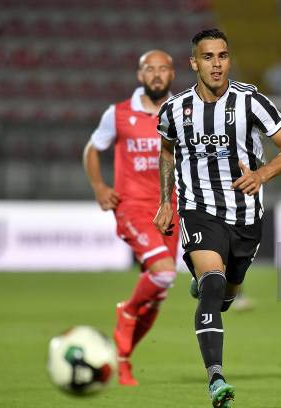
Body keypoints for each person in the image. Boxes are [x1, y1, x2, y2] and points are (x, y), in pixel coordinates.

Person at [154, 29, 281, 407]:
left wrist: (260, 174)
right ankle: (216, 378)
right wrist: (166, 201)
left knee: (228, 293)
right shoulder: (175, 110)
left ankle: (210, 286)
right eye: (208, 57)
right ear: (194, 63)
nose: (216, 64)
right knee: (214, 283)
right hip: (198, 210)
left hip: (245, 215)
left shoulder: (251, 101)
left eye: (222, 56)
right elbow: (168, 150)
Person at [83, 50, 179, 386]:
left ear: (172, 74)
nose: (156, 75)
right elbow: (92, 149)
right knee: (165, 275)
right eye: (149, 69)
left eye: (162, 69)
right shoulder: (119, 113)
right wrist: (99, 186)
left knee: (158, 297)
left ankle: (122, 360)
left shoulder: (183, 112)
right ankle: (125, 311)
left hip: (171, 208)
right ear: (140, 76)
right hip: (133, 208)